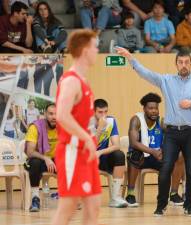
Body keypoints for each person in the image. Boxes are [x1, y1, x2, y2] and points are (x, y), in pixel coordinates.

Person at [115, 47, 191, 217]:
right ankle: (161, 205)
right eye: (180, 62)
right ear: (176, 64)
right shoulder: (166, 80)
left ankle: (189, 206)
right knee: (166, 166)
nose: (183, 65)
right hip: (172, 133)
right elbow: (145, 73)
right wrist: (131, 58)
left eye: (186, 62)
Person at [51, 29, 101, 225]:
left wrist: (91, 141)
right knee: (68, 208)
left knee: (93, 207)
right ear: (85, 50)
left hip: (86, 152)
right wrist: (87, 138)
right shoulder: (71, 80)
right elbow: (62, 115)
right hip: (72, 151)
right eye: (95, 46)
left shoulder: (84, 80)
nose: (98, 50)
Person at [125, 93, 185, 207]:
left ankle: (173, 194)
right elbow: (133, 143)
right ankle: (130, 194)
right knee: (134, 154)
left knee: (179, 155)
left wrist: (165, 150)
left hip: (157, 156)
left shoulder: (162, 122)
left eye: (156, 108)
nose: (154, 111)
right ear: (144, 109)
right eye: (150, 108)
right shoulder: (136, 120)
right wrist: (152, 151)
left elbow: (172, 139)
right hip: (141, 157)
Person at [93, 99, 128, 208]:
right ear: (93, 112)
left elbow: (117, 145)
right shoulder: (86, 123)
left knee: (119, 155)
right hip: (86, 158)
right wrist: (99, 128)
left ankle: (115, 197)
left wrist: (100, 152)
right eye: (100, 112)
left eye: (105, 112)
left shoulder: (111, 121)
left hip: (101, 157)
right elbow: (89, 146)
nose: (103, 115)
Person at [24, 103, 57, 212]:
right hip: (40, 161)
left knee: (72, 161)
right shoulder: (35, 127)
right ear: (45, 114)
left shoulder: (63, 127)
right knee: (34, 162)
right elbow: (30, 152)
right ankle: (35, 198)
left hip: (56, 160)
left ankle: (70, 197)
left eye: (56, 114)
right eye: (51, 114)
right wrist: (46, 158)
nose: (54, 117)